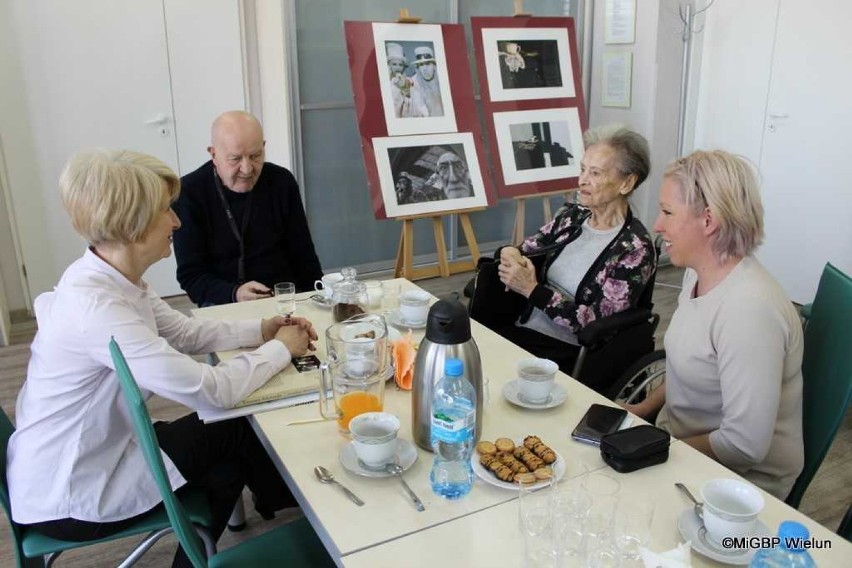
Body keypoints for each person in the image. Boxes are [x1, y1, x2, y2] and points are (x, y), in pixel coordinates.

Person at [5, 149, 320, 566]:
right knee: (234, 427)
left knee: (227, 462)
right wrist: (282, 348)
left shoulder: (113, 276)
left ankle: (276, 511)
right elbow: (212, 392)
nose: (176, 221)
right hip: (70, 491)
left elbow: (184, 332)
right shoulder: (97, 311)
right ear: (133, 227)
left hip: (89, 453)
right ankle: (307, 511)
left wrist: (261, 329)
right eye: (165, 211)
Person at [625, 150, 804, 500]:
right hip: (678, 446)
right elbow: (688, 360)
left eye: (666, 212)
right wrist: (645, 409)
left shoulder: (749, 311)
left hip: (734, 485)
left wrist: (656, 449)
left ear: (709, 220)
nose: (657, 225)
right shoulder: (698, 273)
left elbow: (743, 445)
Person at [495, 126, 657, 377]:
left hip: (566, 349)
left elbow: (594, 325)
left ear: (627, 182)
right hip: (525, 326)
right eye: (582, 169)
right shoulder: (573, 216)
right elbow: (525, 248)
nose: (582, 180)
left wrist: (531, 290)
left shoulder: (634, 248)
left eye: (595, 173)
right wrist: (511, 256)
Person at [173, 111, 323, 306]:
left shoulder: (281, 182)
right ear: (213, 154)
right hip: (225, 300)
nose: (247, 168)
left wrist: (318, 299)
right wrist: (234, 293)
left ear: (264, 147)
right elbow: (191, 276)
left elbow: (304, 255)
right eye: (235, 159)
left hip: (283, 297)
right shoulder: (188, 193)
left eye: (255, 156)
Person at [409, 46, 444, 117]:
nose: (424, 69)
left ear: (434, 66)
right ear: (418, 68)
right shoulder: (414, 83)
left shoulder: (442, 77)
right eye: (421, 65)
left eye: (428, 64)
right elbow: (420, 107)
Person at [387, 42, 415, 118]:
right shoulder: (387, 82)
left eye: (400, 65)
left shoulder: (407, 80)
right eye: (394, 64)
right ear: (389, 65)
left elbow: (410, 89)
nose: (398, 67)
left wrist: (404, 86)